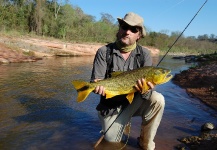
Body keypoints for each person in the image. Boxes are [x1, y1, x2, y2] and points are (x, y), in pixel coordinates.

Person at [91, 12, 165, 150]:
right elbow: (96, 80)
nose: (127, 32)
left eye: (133, 29)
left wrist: (146, 90)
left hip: (133, 102)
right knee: (112, 142)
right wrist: (97, 86)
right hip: (110, 106)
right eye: (124, 27)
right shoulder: (104, 52)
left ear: (139, 35)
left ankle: (146, 143)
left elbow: (147, 96)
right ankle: (122, 122)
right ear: (119, 29)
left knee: (158, 99)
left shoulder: (145, 54)